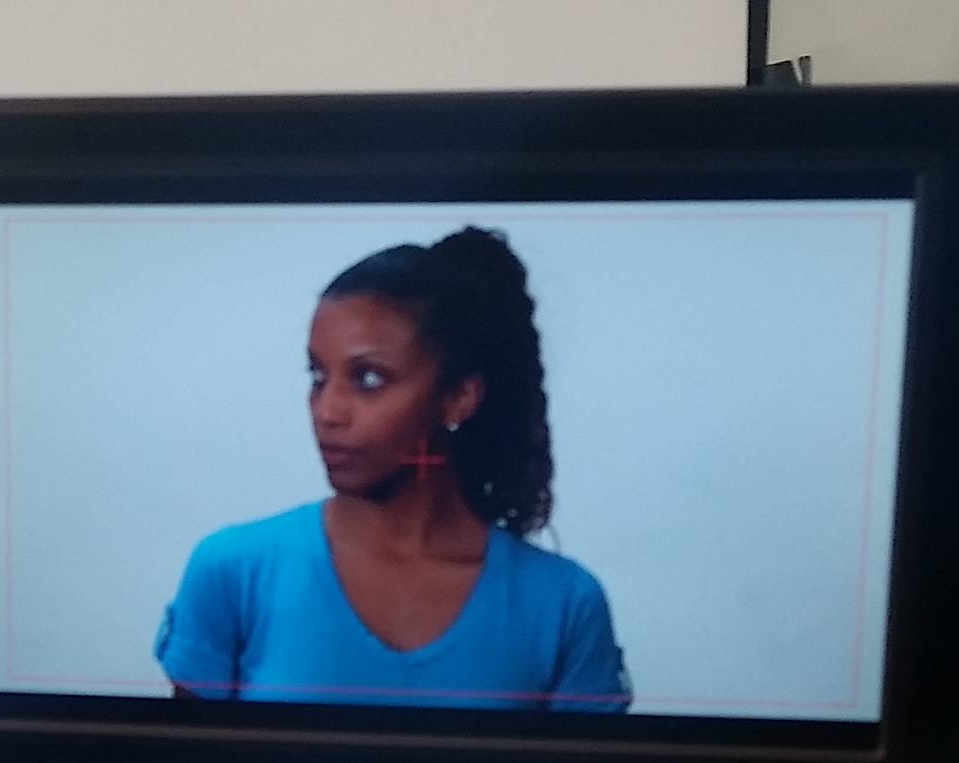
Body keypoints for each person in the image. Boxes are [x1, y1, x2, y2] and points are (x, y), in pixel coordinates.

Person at [156, 228, 633, 710]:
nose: (327, 411)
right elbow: (182, 758)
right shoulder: (232, 572)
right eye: (318, 376)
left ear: (458, 397)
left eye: (368, 379)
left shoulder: (563, 605)